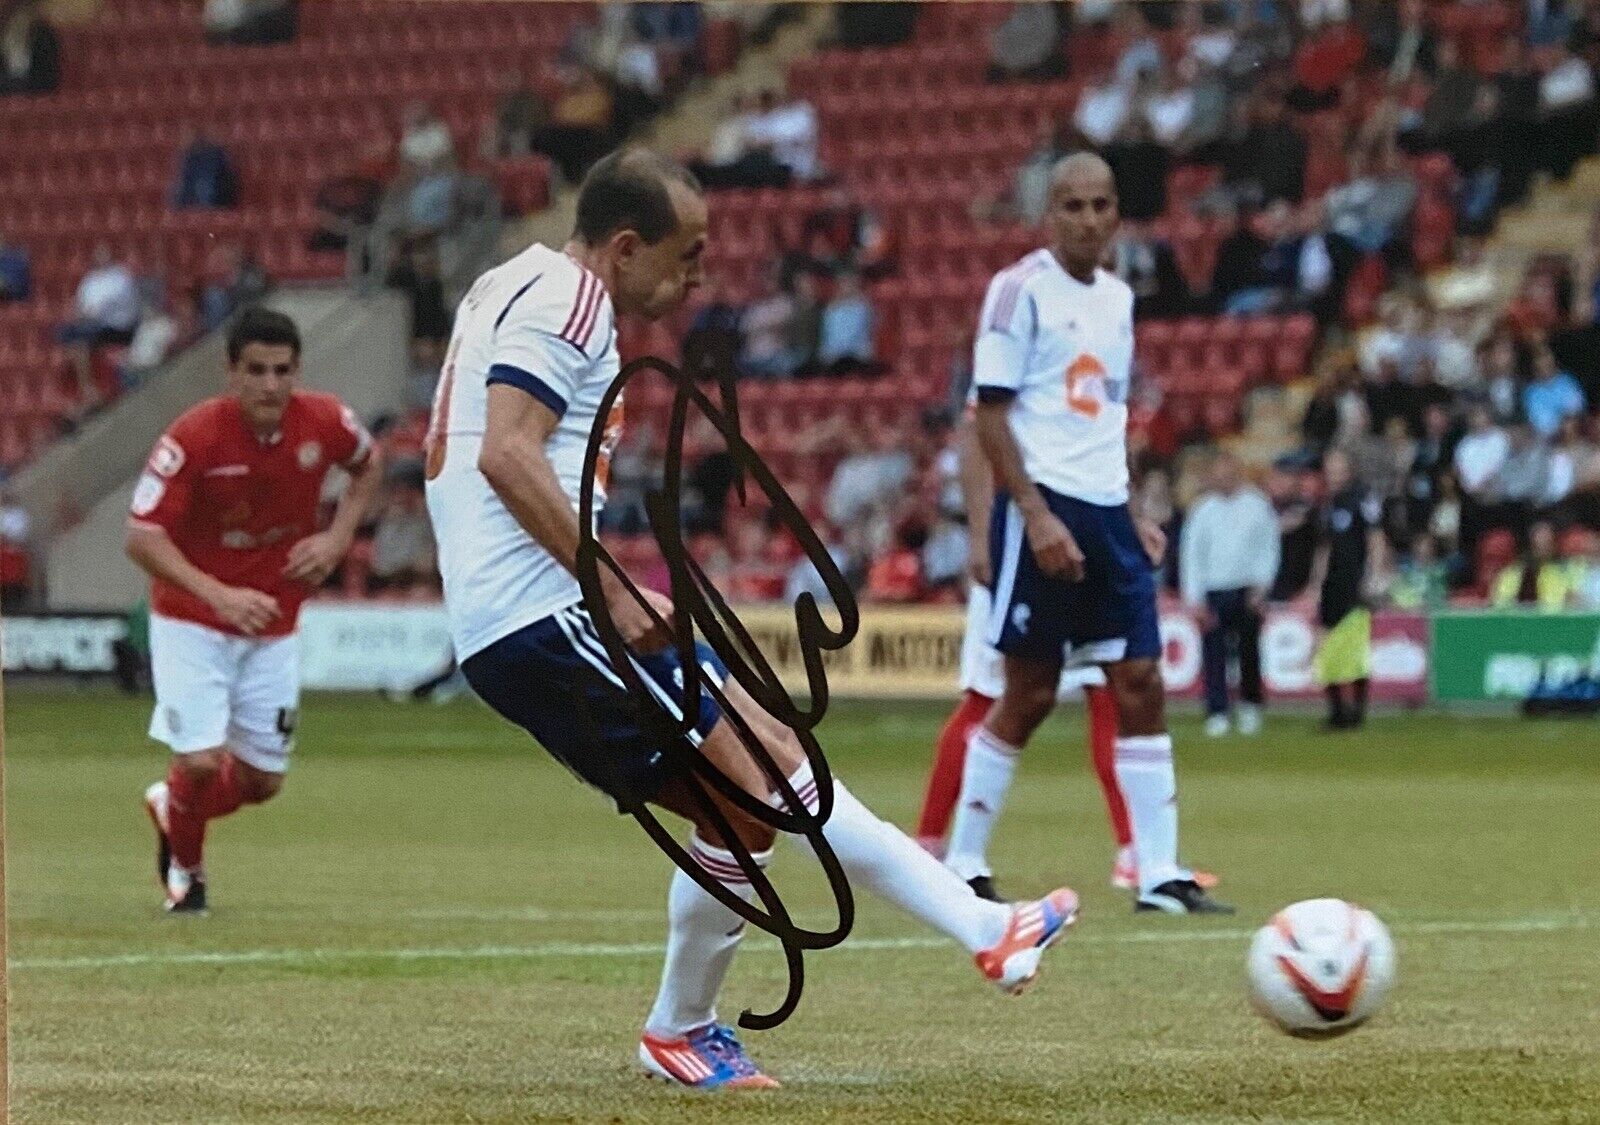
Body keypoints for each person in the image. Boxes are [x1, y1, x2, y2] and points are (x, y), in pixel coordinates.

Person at [422, 149, 1079, 1090]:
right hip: (546, 616)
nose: (698, 277)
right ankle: (684, 1026)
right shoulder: (573, 301)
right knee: (754, 793)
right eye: (686, 256)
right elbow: (507, 457)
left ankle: (983, 928)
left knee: (777, 760)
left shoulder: (509, 283)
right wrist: (607, 585)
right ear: (624, 245)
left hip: (553, 606)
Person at [951, 152, 1231, 915]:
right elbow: (990, 417)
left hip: (1107, 513)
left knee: (1141, 684)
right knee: (1030, 693)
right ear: (1050, 214)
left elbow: (1106, 415)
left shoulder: (1118, 298)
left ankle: (1160, 873)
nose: (1088, 219)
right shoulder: (1017, 292)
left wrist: (1132, 508)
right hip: (1042, 508)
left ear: (1117, 214)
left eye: (1101, 205)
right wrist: (1034, 515)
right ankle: (965, 861)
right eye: (1072, 205)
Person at [128, 308, 383, 913]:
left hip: (274, 624)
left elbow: (369, 464)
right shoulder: (193, 438)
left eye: (282, 371)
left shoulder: (324, 420)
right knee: (198, 760)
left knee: (260, 782)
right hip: (191, 621)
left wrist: (337, 538)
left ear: (297, 371)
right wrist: (216, 593)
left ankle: (172, 808)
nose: (271, 385)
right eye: (256, 371)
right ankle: (187, 874)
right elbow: (141, 537)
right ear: (231, 373)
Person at [1180, 451, 1279, 738]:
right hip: (1214, 589)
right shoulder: (1202, 510)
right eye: (1218, 473)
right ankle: (1217, 710)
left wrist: (1262, 586)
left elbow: (1269, 548)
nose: (1223, 478)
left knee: (1249, 650)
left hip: (1248, 588)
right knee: (1214, 652)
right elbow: (1192, 556)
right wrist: (1194, 598)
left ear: (1238, 472)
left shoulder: (1257, 505)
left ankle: (1250, 706)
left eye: (1228, 472)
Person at [1310, 448, 1386, 731]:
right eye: (1330, 468)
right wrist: (1316, 583)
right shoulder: (1328, 503)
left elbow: (1375, 536)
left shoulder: (1362, 498)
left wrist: (1374, 575)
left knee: (1353, 649)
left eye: (1338, 467)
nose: (1334, 473)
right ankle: (1336, 710)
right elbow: (1324, 547)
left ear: (1349, 469)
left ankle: (1357, 710)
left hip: (1355, 583)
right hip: (1333, 583)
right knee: (1328, 646)